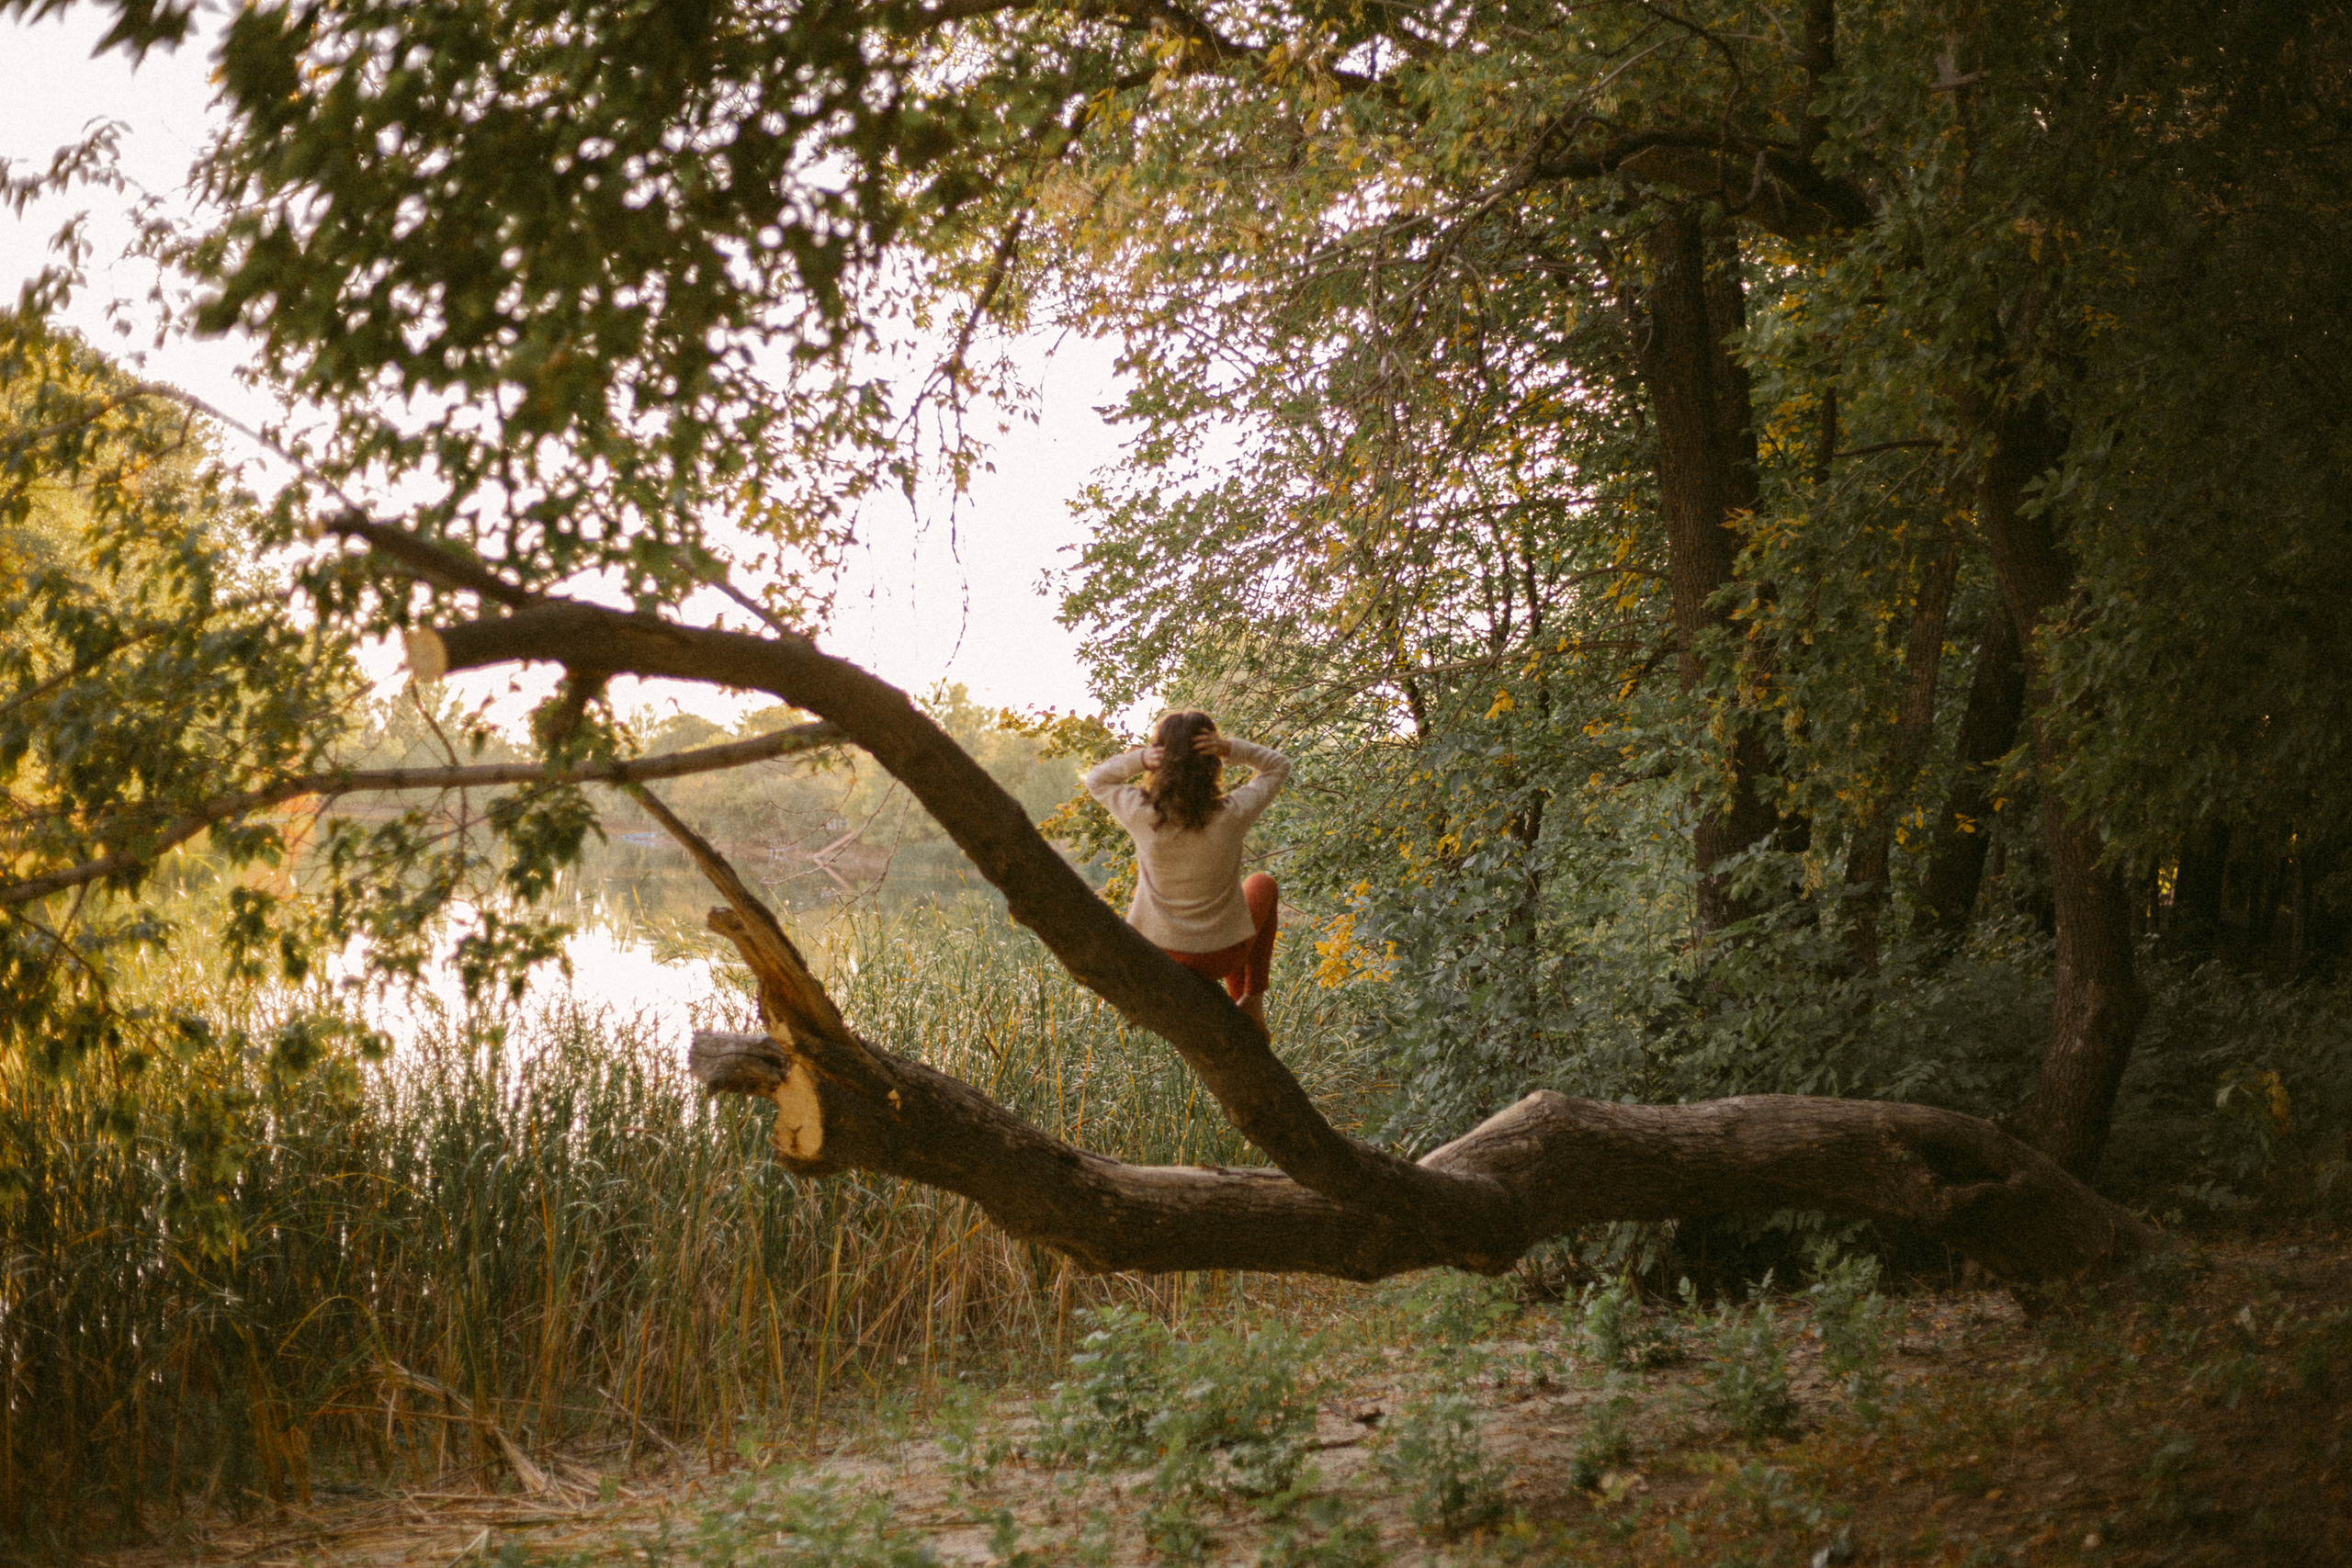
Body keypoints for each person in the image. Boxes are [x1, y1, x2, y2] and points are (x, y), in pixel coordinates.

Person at [1085, 711, 1290, 1028]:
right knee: (1261, 883)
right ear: (1212, 761)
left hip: (1157, 954)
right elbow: (1278, 765)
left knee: (1151, 881)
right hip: (1219, 957)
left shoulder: (1141, 813)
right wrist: (1229, 748)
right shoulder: (1233, 814)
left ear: (1160, 760)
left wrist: (1140, 758)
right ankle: (1250, 1000)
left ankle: (1246, 1002)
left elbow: (1096, 779)